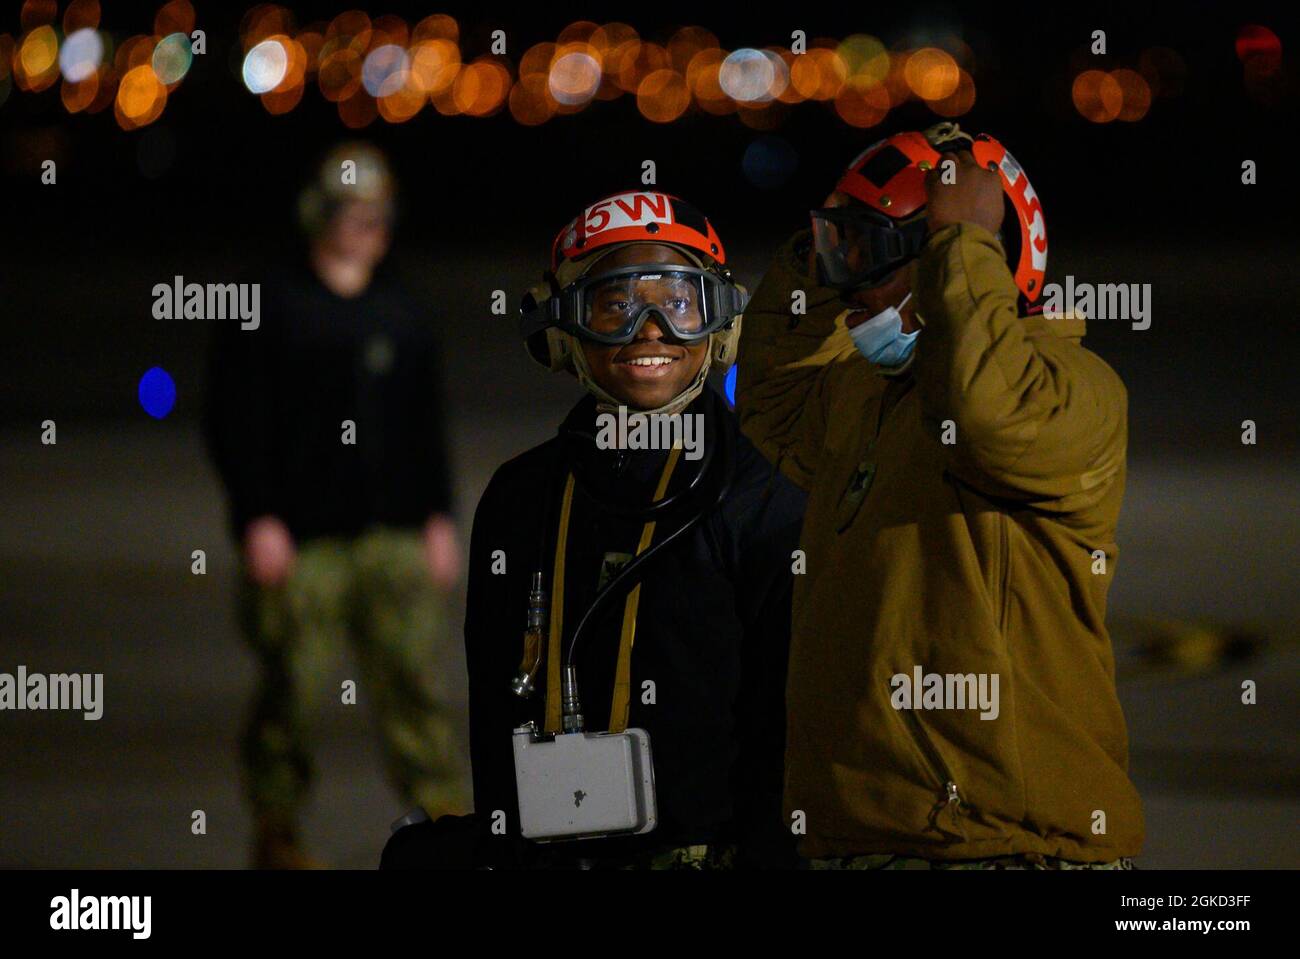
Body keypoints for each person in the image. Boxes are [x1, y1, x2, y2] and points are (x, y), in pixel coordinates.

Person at [736, 122, 1144, 869]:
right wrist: (808, 261)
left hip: (1005, 846)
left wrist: (961, 243)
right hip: (863, 839)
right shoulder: (871, 395)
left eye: (870, 256)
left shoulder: (1073, 392)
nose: (848, 284)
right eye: (841, 251)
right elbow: (771, 406)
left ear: (981, 256)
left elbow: (991, 414)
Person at [382, 191, 806, 870]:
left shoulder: (764, 496)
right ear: (561, 328)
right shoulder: (521, 498)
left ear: (719, 322)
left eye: (679, 301)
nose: (650, 328)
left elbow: (788, 736)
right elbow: (493, 719)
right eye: (615, 304)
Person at [203, 142, 466, 869]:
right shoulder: (271, 307)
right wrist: (257, 516)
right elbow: (234, 420)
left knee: (417, 682)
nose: (366, 229)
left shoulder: (402, 309)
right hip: (303, 540)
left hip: (395, 536)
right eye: (352, 214)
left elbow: (424, 424)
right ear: (319, 214)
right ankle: (277, 827)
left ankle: (445, 822)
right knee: (292, 688)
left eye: (378, 216)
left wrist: (441, 518)